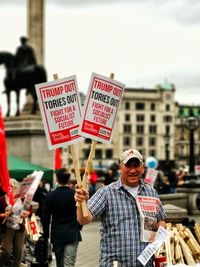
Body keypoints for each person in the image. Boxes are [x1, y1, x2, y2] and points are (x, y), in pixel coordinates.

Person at [75, 148, 166, 267]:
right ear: (120, 168)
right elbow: (83, 220)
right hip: (115, 264)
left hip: (146, 264)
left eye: (136, 165)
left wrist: (158, 237)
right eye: (128, 165)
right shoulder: (106, 192)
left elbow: (161, 220)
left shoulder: (151, 192)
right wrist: (82, 202)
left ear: (142, 168)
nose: (133, 170)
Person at [42, 168, 82, 267]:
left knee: (59, 263)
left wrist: (46, 235)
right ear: (68, 180)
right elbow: (81, 213)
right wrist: (78, 227)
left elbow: (45, 218)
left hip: (57, 234)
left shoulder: (50, 196)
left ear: (57, 179)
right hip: (72, 232)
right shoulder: (75, 195)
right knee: (69, 263)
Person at [0, 178, 31, 267]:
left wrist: (26, 213)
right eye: (7, 186)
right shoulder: (2, 199)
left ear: (15, 187)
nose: (9, 188)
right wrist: (3, 215)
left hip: (19, 227)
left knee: (18, 251)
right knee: (7, 251)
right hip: (7, 228)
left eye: (11, 186)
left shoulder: (22, 198)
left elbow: (29, 209)